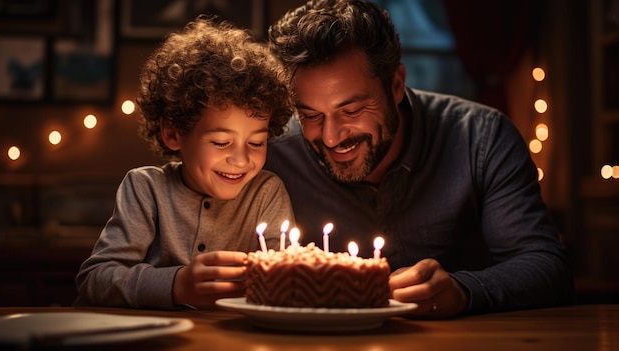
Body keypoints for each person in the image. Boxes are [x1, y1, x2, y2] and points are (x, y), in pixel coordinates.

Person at [265, 0, 574, 318]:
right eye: (311, 115)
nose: (330, 137)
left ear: (396, 85)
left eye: (352, 110)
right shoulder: (272, 153)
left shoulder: (480, 138)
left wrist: (462, 291)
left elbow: (546, 266)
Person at [75, 15, 295, 310]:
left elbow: (285, 279)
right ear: (173, 133)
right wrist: (176, 285)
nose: (241, 159)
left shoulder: (266, 192)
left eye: (256, 143)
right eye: (220, 142)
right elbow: (95, 279)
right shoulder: (145, 189)